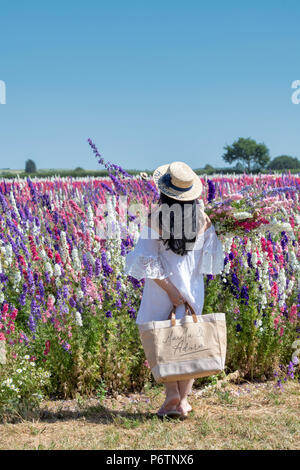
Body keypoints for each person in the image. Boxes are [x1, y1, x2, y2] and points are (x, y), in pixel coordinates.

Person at [125, 161, 224, 418]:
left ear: (164, 192)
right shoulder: (203, 219)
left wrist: (170, 289)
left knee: (162, 337)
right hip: (191, 286)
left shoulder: (155, 217)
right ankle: (183, 401)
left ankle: (172, 396)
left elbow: (146, 259)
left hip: (162, 289)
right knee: (189, 340)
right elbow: (211, 257)